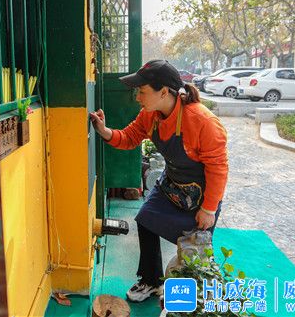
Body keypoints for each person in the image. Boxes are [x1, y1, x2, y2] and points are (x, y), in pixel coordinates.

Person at [89, 59, 228, 302]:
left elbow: (218, 168)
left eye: (142, 91)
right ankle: (151, 281)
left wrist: (209, 209)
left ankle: (190, 298)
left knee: (194, 251)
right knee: (146, 220)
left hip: (202, 197)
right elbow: (130, 137)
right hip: (171, 185)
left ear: (164, 92)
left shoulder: (203, 121)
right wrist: (104, 131)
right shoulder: (149, 115)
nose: (137, 97)